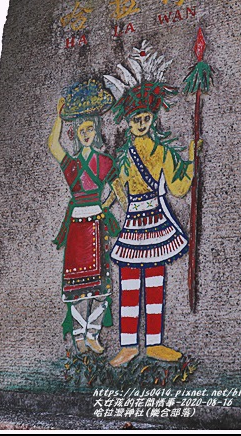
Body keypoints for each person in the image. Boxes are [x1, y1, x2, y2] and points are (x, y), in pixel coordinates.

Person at [107, 80, 199, 367]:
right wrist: (104, 206)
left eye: (146, 118)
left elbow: (179, 188)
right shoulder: (124, 156)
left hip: (157, 219)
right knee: (129, 282)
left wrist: (191, 162)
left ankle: (155, 343)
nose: (141, 124)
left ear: (153, 119)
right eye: (136, 119)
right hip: (134, 220)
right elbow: (117, 190)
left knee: (156, 281)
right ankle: (128, 346)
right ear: (128, 122)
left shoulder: (162, 152)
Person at [49, 80, 120, 354]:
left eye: (90, 128)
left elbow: (117, 190)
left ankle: (93, 334)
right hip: (77, 226)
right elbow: (53, 145)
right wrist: (59, 117)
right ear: (76, 134)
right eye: (82, 130)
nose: (87, 133)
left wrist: (104, 206)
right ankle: (79, 335)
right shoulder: (72, 164)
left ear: (96, 130)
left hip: (97, 224)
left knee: (100, 284)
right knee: (77, 284)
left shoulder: (105, 162)